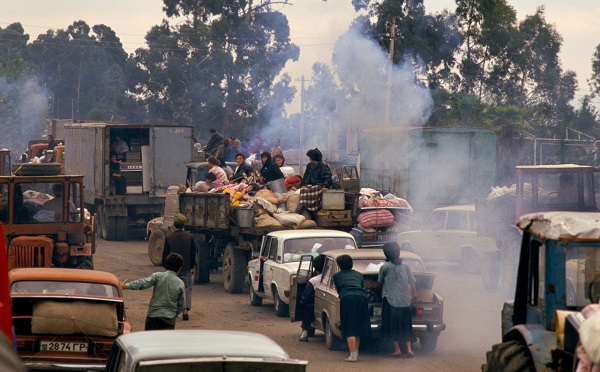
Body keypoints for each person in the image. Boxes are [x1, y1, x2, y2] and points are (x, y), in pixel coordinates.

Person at [122, 252, 186, 330]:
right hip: (169, 319)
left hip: (153, 316)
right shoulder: (180, 283)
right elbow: (182, 305)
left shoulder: (157, 276)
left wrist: (125, 286)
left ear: (166, 265)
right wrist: (174, 314)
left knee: (149, 341)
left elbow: (143, 283)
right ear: (180, 268)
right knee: (166, 341)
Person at [378, 241, 417, 358]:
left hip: (390, 301)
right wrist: (414, 294)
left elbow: (380, 282)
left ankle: (397, 350)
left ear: (386, 254)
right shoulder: (405, 266)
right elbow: (412, 282)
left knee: (393, 325)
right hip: (405, 301)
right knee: (405, 325)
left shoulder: (384, 267)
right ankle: (409, 349)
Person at [332, 254, 371, 362]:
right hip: (362, 298)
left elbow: (339, 289)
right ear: (351, 264)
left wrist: (341, 296)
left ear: (339, 265)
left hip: (347, 298)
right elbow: (362, 286)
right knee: (357, 327)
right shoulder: (358, 274)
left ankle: (353, 355)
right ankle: (355, 353)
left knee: (349, 327)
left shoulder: (336, 276)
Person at [161, 213, 196, 321]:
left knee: (172, 290)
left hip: (172, 270)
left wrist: (167, 267)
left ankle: (173, 312)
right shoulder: (189, 237)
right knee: (186, 289)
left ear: (174, 225)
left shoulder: (169, 237)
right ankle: (185, 311)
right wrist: (191, 266)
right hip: (185, 268)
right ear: (183, 225)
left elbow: (164, 255)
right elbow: (193, 253)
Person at [294, 148, 333, 217]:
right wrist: (302, 185)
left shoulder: (323, 166)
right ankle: (300, 210)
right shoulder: (309, 166)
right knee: (304, 189)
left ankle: (299, 210)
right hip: (311, 185)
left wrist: (325, 186)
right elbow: (306, 177)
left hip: (320, 186)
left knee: (310, 190)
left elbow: (328, 177)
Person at [299, 254, 325, 342]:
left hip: (316, 305)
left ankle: (305, 333)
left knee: (307, 307)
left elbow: (306, 294)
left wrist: (302, 300)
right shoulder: (332, 278)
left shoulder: (314, 280)